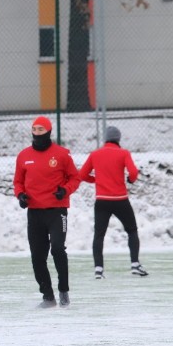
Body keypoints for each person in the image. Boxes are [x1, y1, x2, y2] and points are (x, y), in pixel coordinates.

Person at [13, 116, 81, 308]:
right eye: (34, 129)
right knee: (37, 256)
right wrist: (20, 195)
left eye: (41, 129)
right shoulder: (23, 156)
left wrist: (65, 191)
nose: (37, 133)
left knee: (58, 249)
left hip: (56, 211)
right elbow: (18, 181)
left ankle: (63, 291)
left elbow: (75, 178)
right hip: (35, 213)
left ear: (49, 131)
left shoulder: (62, 154)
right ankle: (48, 296)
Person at [79, 126, 148, 278]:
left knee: (99, 235)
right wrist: (130, 179)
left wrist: (96, 180)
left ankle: (98, 269)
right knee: (132, 230)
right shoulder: (123, 153)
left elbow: (82, 174)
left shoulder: (95, 154)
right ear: (118, 139)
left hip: (102, 201)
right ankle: (135, 264)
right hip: (120, 200)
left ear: (105, 138)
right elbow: (133, 172)